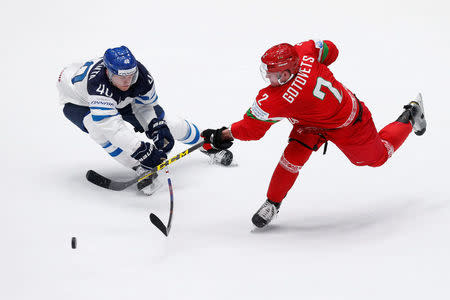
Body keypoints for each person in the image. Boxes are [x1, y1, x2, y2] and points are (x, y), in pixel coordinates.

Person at [201, 40, 426, 228]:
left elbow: (252, 130)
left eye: (273, 74)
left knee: (378, 158)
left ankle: (411, 114)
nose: (268, 78)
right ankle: (272, 203)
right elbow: (331, 49)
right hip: (312, 122)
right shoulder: (304, 51)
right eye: (267, 72)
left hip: (348, 124)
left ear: (288, 72)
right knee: (291, 159)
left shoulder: (277, 99)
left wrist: (222, 136)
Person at [57, 46, 233, 195]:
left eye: (130, 76)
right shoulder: (98, 86)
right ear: (108, 73)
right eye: (121, 77)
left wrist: (155, 126)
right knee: (99, 130)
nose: (127, 81)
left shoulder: (141, 76)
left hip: (120, 99)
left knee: (169, 124)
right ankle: (140, 167)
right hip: (78, 102)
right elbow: (112, 127)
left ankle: (206, 144)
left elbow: (145, 106)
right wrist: (139, 149)